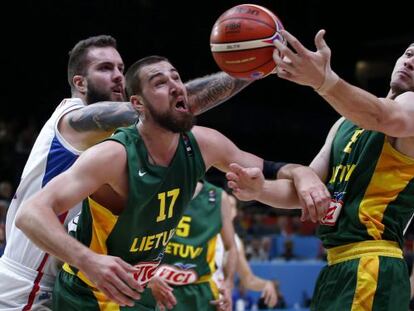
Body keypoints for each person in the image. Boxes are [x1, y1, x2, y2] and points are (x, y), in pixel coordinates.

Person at [15, 55, 330, 310]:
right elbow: (30, 214)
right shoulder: (113, 156)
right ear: (137, 105)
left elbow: (272, 170)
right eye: (160, 83)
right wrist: (89, 261)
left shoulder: (204, 144)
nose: (176, 86)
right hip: (87, 294)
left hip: (139, 291)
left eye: (176, 78)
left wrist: (301, 173)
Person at [0, 34, 261, 311]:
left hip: (71, 278)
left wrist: (144, 277)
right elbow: (169, 108)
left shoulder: (120, 144)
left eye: (120, 69)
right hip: (29, 283)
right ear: (80, 82)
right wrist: (252, 69)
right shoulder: (73, 120)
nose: (116, 76)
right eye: (104, 68)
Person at [227, 30, 414, 310]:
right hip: (336, 265)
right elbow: (309, 187)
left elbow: (382, 115)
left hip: (373, 262)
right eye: (409, 53)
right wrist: (260, 189)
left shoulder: (407, 110)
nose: (410, 61)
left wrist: (323, 81)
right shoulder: (344, 124)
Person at [148, 180, 237, 311]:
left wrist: (228, 283)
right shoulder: (152, 188)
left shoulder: (218, 197)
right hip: (155, 286)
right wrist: (146, 277)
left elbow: (231, 247)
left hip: (200, 291)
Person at [214, 194, 279, 309]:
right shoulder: (204, 232)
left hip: (219, 300)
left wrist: (266, 284)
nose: (228, 209)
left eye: (232, 206)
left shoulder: (236, 241)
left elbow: (248, 279)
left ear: (235, 212)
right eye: (224, 205)